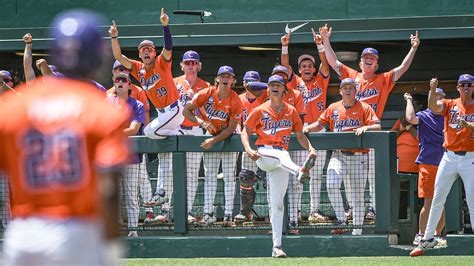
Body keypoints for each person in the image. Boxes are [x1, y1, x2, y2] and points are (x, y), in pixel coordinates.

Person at [0, 10, 129, 265]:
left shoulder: (13, 106)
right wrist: (112, 246)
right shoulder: (101, 109)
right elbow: (109, 189)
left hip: (23, 234)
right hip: (77, 231)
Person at [320, 24, 420, 220]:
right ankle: (350, 212)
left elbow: (403, 68)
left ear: (376, 64)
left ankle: (374, 209)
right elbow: (334, 62)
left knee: (373, 176)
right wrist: (325, 40)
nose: (368, 60)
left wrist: (413, 48)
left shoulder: (382, 79)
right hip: (349, 133)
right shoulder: (351, 77)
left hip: (371, 131)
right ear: (360, 63)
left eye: (372, 59)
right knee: (349, 181)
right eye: (365, 58)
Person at [109, 8, 183, 213]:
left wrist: (165, 26)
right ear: (140, 54)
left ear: (153, 51)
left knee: (150, 131)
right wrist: (115, 37)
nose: (147, 51)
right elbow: (117, 55)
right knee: (164, 154)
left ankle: (179, 133)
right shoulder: (138, 69)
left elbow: (168, 46)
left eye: (149, 48)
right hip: (164, 114)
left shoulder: (161, 62)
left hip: (175, 110)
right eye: (143, 49)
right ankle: (161, 192)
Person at [242, 74, 317, 258]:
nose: (275, 87)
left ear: (284, 89)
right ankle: (299, 171)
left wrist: (311, 148)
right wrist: (249, 149)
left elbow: (299, 134)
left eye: (279, 84)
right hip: (263, 154)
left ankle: (277, 247)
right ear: (268, 89)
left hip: (281, 162)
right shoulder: (260, 110)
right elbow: (245, 131)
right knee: (282, 156)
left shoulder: (291, 110)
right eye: (272, 84)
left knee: (277, 205)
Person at [304, 78, 381, 235]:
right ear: (340, 91)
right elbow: (320, 124)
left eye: (351, 88)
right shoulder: (333, 108)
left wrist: (367, 126)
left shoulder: (365, 108)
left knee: (358, 196)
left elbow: (377, 126)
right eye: (345, 88)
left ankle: (357, 233)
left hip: (359, 156)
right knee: (331, 184)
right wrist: (306, 129)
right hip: (338, 155)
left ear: (355, 91)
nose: (348, 90)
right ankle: (341, 220)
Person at [410, 75, 474, 257]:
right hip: (449, 156)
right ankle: (428, 238)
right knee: (437, 197)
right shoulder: (450, 103)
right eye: (463, 85)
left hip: (470, 156)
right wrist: (432, 89)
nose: (466, 88)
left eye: (469, 85)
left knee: (472, 200)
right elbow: (433, 107)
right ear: (458, 87)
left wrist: (470, 126)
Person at [280, 27, 331, 224]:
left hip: (318, 128)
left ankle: (314, 210)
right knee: (300, 173)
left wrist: (319, 44)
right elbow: (285, 66)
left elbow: (325, 64)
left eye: (310, 65)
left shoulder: (321, 79)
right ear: (300, 69)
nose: (307, 68)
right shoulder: (295, 82)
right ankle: (296, 213)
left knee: (317, 173)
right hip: (300, 130)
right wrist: (285, 47)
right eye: (304, 66)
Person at [183, 66, 243, 227]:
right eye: (222, 75)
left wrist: (214, 140)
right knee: (210, 175)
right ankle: (208, 214)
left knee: (229, 176)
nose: (225, 78)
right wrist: (201, 121)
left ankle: (228, 215)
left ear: (233, 81)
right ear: (217, 79)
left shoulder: (236, 100)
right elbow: (186, 111)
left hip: (230, 137)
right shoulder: (206, 93)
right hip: (211, 133)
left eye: (229, 76)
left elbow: (231, 129)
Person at [107, 72, 152, 237]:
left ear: (129, 85)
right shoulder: (107, 102)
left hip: (131, 156)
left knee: (132, 195)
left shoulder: (137, 105)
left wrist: (112, 133)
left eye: (123, 80)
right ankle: (114, 229)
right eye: (117, 80)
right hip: (111, 156)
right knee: (113, 195)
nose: (120, 82)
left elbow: (134, 129)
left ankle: (133, 230)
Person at [172, 50, 211, 224]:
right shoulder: (174, 83)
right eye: (188, 63)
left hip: (195, 129)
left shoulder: (206, 86)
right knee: (171, 172)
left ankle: (186, 211)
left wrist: (194, 100)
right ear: (182, 65)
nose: (191, 65)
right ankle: (166, 211)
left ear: (199, 66)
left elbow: (207, 113)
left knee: (192, 174)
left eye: (194, 63)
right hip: (176, 129)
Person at [404, 89, 446, 246]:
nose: (439, 100)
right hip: (427, 162)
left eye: (441, 97)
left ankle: (438, 235)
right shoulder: (424, 115)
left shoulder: (447, 114)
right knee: (428, 201)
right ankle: (421, 235)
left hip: (446, 162)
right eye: (436, 97)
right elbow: (410, 118)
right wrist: (408, 100)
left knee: (440, 201)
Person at [269, 65, 306, 231]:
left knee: (295, 183)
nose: (280, 78)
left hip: (294, 143)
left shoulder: (296, 94)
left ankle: (293, 220)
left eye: (283, 76)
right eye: (277, 75)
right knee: (274, 185)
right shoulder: (268, 95)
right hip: (276, 146)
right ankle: (275, 223)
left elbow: (301, 121)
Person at [235, 71, 268, 223]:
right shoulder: (238, 99)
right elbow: (235, 119)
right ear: (243, 83)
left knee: (270, 180)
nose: (250, 86)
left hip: (266, 141)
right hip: (248, 141)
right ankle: (245, 212)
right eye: (247, 82)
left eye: (254, 83)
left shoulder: (265, 97)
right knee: (245, 177)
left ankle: (273, 213)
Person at [107, 60, 150, 125]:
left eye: (127, 69)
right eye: (121, 69)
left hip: (134, 132)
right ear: (113, 72)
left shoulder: (139, 91)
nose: (124, 71)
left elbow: (146, 115)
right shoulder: (108, 94)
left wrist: (144, 134)